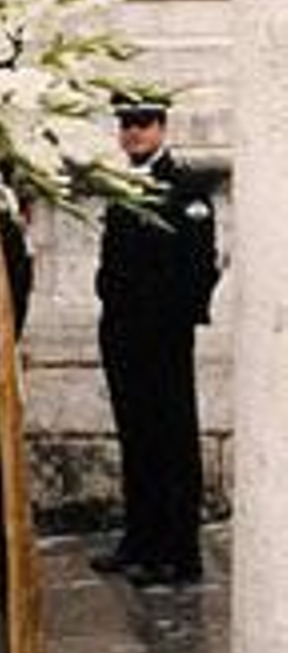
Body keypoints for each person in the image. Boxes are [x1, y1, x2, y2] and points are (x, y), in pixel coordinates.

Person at [92, 95, 218, 588]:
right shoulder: (121, 185)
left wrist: (174, 320)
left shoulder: (185, 187)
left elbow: (199, 266)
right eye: (126, 124)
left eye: (143, 123)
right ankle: (140, 540)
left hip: (164, 336)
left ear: (162, 128)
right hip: (122, 332)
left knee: (172, 439)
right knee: (136, 437)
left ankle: (178, 552)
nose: (134, 133)